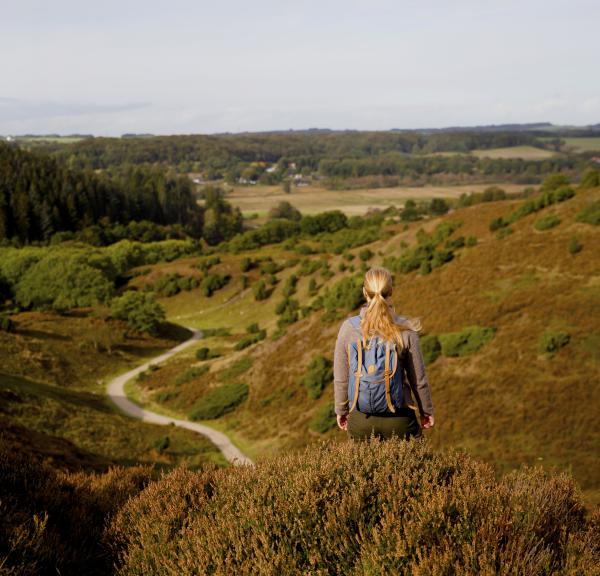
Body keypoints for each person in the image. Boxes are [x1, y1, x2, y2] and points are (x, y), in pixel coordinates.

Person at [333, 266, 434, 440]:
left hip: (361, 419)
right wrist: (426, 411)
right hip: (400, 417)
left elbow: (341, 378)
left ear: (365, 292)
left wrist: (341, 410)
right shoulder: (406, 329)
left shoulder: (348, 328)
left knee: (361, 467)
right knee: (413, 465)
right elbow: (418, 379)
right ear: (391, 291)